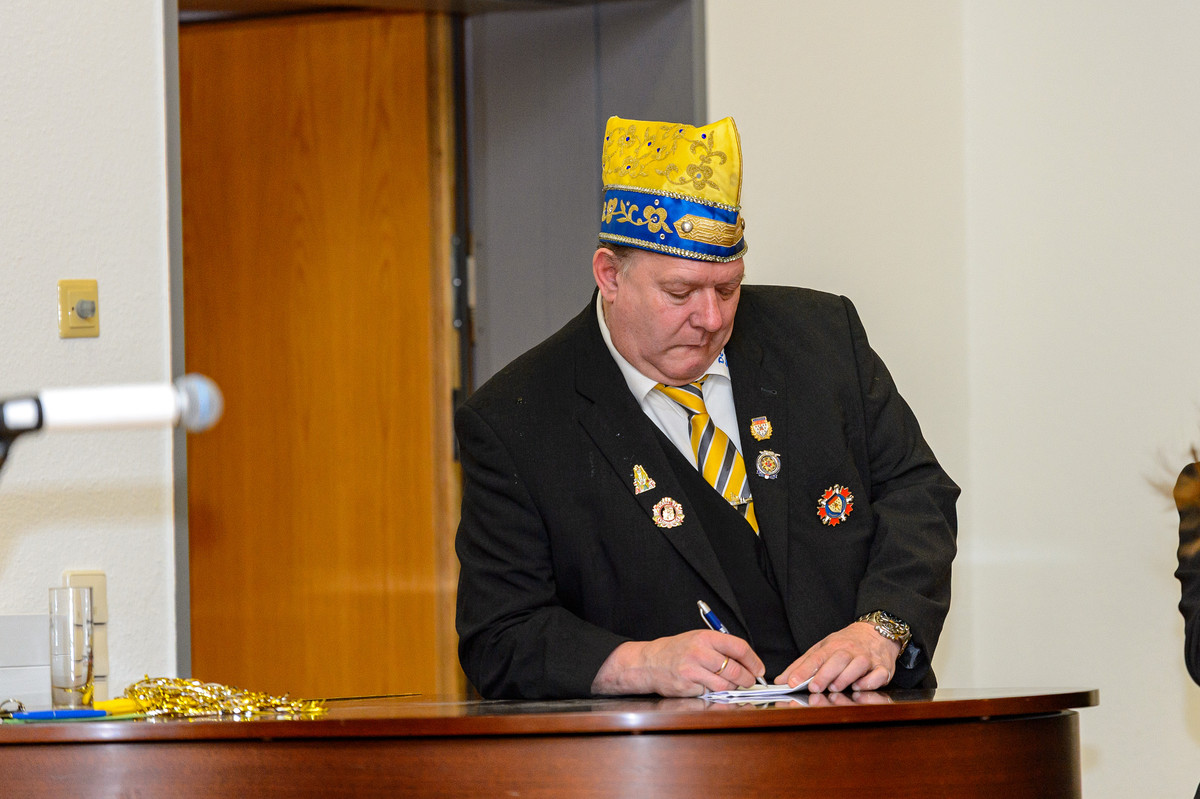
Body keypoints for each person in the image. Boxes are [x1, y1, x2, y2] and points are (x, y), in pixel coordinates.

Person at [454, 115, 959, 699]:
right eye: (680, 292)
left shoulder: (822, 338)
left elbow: (917, 494)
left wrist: (882, 629)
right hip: (672, 749)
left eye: (727, 288)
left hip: (864, 727)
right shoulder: (517, 419)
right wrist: (638, 663)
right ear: (609, 275)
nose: (712, 318)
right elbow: (500, 636)